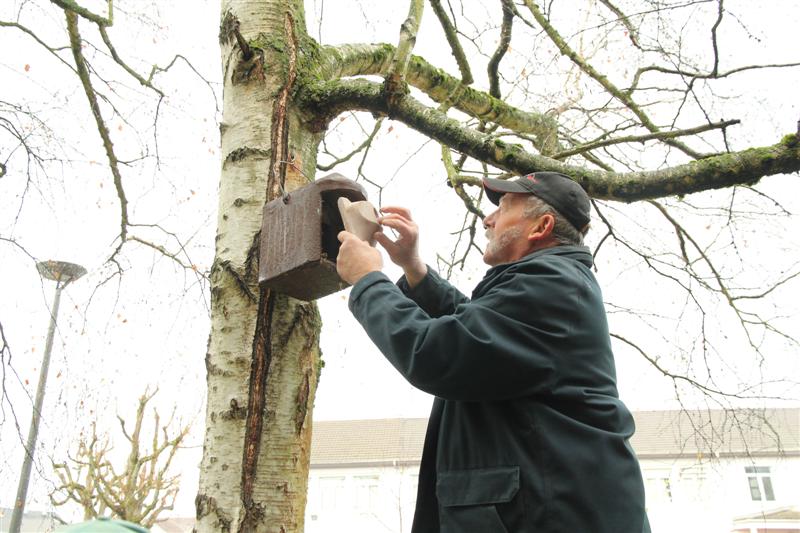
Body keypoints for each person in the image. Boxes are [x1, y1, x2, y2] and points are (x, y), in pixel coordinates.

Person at [335, 171, 651, 533]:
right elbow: (476, 335)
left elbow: (437, 354)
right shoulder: (549, 282)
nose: (488, 219)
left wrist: (368, 281)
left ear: (541, 226)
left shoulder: (553, 285)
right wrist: (414, 268)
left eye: (503, 207)